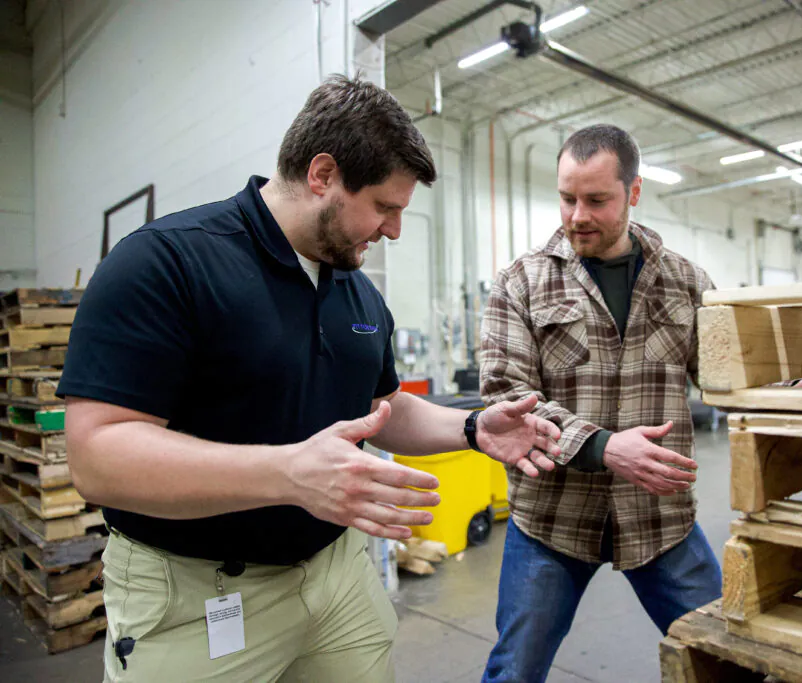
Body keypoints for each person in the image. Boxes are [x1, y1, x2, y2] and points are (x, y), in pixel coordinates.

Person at [59, 75, 562, 683]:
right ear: (323, 175)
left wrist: (474, 427)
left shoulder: (357, 292)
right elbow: (96, 455)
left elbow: (382, 407)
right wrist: (288, 475)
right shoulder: (166, 262)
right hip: (199, 594)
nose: (395, 231)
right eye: (385, 207)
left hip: (336, 577)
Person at [479, 124, 723, 682]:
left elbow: (724, 375)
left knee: (724, 659)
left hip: (659, 519)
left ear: (633, 193)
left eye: (596, 200)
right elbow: (506, 396)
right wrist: (604, 448)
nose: (577, 216)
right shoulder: (522, 283)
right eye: (567, 198)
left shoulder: (684, 282)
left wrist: (780, 398)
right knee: (514, 673)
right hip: (552, 522)